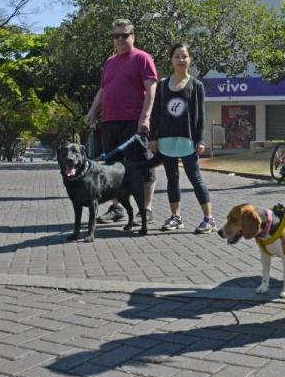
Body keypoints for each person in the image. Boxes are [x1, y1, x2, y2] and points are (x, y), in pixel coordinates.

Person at [87, 19, 158, 225]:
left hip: (133, 123)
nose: (120, 39)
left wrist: (145, 117)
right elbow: (102, 91)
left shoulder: (143, 58)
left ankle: (146, 209)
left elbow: (151, 89)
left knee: (142, 167)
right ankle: (117, 207)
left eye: (124, 35)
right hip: (110, 122)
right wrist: (92, 111)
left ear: (133, 36)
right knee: (113, 170)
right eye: (116, 36)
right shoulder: (109, 62)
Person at [148, 44, 216, 234]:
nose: (181, 60)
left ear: (190, 59)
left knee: (195, 178)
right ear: (171, 60)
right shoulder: (162, 85)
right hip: (166, 140)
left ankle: (209, 219)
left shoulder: (196, 85)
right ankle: (176, 217)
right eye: (177, 56)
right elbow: (155, 114)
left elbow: (201, 115)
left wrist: (200, 140)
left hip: (188, 140)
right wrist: (153, 137)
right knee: (172, 178)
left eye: (184, 56)